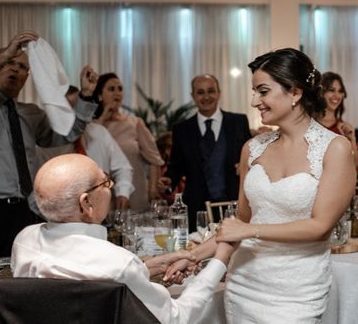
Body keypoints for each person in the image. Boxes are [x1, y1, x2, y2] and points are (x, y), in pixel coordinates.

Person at [209, 48, 356, 324]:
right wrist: (194, 256)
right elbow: (240, 223)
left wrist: (249, 232)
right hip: (245, 285)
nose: (254, 101)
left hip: (295, 293)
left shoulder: (335, 149)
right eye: (254, 92)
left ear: (295, 93)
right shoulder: (253, 149)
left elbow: (319, 227)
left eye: (263, 91)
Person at [11, 154, 235, 324]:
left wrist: (146, 267)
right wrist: (219, 261)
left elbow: (82, 277)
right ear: (86, 203)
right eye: (105, 182)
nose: (112, 188)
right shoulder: (118, 263)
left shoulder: (24, 241)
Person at [0, 31, 97, 324]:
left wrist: (87, 96)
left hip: (24, 213)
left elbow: (66, 133)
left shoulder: (30, 114)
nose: (16, 69)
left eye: (23, 67)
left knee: (23, 287)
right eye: (10, 62)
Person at [167, 74, 251, 229]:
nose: (206, 97)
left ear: (219, 93)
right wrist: (167, 182)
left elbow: (251, 156)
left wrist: (245, 164)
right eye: (200, 92)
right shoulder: (182, 129)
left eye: (211, 91)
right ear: (193, 96)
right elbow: (176, 167)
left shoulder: (239, 122)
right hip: (196, 209)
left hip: (233, 204)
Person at [37, 85, 134, 211]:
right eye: (69, 109)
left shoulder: (99, 133)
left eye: (78, 107)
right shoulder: (46, 143)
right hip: (64, 214)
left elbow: (123, 167)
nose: (76, 114)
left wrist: (123, 193)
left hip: (101, 211)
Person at [93, 73, 163, 212]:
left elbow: (154, 158)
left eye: (120, 89)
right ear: (100, 94)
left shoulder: (134, 123)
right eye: (111, 89)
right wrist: (103, 117)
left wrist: (153, 188)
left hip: (135, 191)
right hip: (101, 194)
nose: (117, 93)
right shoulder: (91, 126)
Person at [315, 71, 358, 165]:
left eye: (340, 91)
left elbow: (354, 165)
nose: (337, 96)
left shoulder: (344, 129)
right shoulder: (309, 125)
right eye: (331, 90)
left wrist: (352, 140)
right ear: (321, 93)